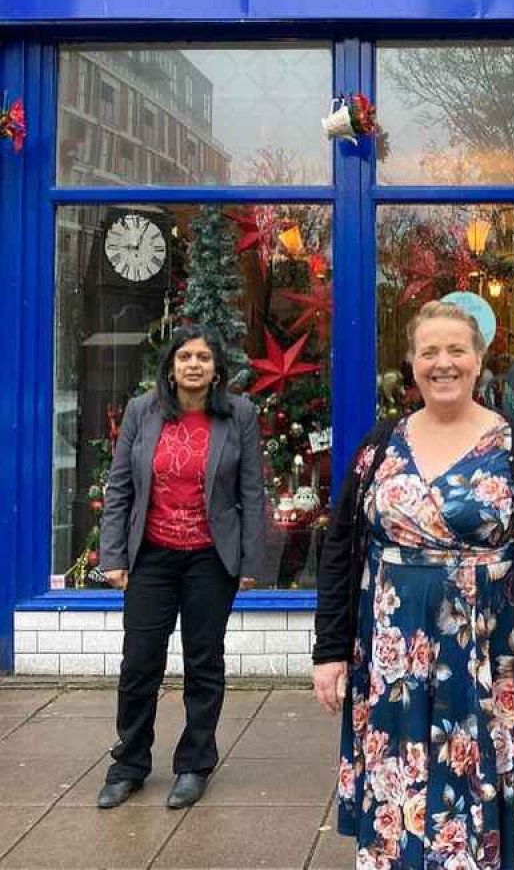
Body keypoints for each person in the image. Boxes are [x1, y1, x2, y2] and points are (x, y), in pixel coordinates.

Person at [313, 300, 514, 868]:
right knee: (402, 784)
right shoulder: (379, 447)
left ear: (479, 360)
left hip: (490, 654)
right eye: (429, 352)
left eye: (457, 350)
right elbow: (340, 552)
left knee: (478, 780)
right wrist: (330, 652)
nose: (443, 363)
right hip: (394, 653)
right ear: (411, 364)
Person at [97, 325, 266, 810]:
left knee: (204, 662)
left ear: (217, 370)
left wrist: (250, 561)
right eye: (186, 356)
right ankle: (128, 763)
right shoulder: (141, 412)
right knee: (139, 663)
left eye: (204, 358)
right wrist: (113, 556)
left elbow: (251, 493)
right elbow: (120, 486)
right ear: (170, 367)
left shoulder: (239, 415)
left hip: (210, 560)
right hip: (150, 556)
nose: (195, 364)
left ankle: (194, 764)